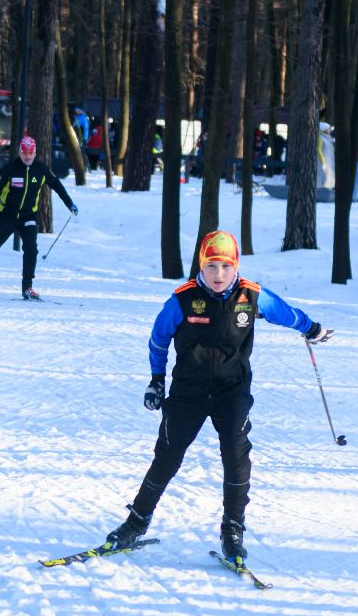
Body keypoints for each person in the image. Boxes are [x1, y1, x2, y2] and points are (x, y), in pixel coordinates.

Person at [102, 230, 332, 563]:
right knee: (167, 455)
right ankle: (136, 522)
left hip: (232, 390)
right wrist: (156, 380)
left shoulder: (250, 296)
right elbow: (158, 340)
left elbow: (286, 313)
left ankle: (233, 530)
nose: (219, 274)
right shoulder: (182, 299)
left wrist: (311, 328)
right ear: (201, 266)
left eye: (225, 265)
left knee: (236, 456)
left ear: (235, 265)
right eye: (211, 266)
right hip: (188, 390)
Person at [0, 134, 78, 301]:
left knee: (31, 249)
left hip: (28, 216)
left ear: (35, 153)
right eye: (24, 153)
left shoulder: (41, 169)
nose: (27, 156)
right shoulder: (9, 169)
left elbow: (56, 185)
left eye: (30, 153)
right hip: (7, 216)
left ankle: (27, 287)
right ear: (20, 153)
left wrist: (69, 203)